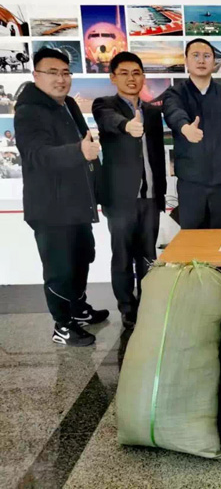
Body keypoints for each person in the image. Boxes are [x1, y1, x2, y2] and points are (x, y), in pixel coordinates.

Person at [14, 47, 108, 347]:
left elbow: (87, 145)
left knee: (83, 257)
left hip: (77, 202)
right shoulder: (28, 111)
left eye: (65, 73)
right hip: (50, 208)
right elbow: (36, 155)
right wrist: (78, 152)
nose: (61, 79)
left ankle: (78, 309)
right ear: (36, 75)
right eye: (52, 73)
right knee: (59, 269)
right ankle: (63, 326)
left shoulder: (68, 103)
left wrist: (98, 189)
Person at [92, 52, 167, 329]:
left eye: (136, 73)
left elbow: (157, 154)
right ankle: (127, 307)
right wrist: (127, 125)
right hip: (120, 197)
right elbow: (108, 120)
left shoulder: (153, 112)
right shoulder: (104, 105)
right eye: (123, 73)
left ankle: (147, 304)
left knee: (148, 256)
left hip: (150, 196)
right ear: (113, 77)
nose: (131, 78)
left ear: (143, 77)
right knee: (122, 256)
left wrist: (161, 193)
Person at [163, 38, 221, 229]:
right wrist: (185, 128)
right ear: (186, 60)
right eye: (196, 55)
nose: (201, 60)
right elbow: (173, 112)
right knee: (193, 241)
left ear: (214, 61)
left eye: (207, 56)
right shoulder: (175, 93)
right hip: (191, 186)